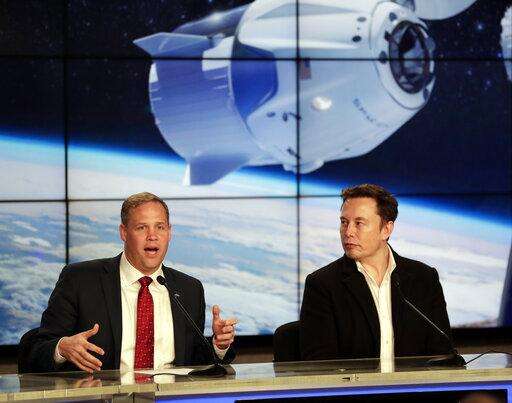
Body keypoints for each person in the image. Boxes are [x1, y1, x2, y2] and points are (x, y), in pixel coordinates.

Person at [28, 192, 236, 373]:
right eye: (142, 227)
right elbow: (36, 351)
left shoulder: (189, 289)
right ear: (124, 232)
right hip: (103, 397)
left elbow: (195, 363)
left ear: (169, 233)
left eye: (160, 227)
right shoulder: (80, 279)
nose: (152, 236)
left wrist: (218, 345)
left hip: (168, 397)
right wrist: (62, 348)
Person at [300, 184, 453, 363]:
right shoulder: (322, 284)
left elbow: (443, 353)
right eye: (344, 222)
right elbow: (319, 364)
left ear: (386, 229)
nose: (348, 232)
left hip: (415, 382)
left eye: (359, 223)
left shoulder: (424, 279)